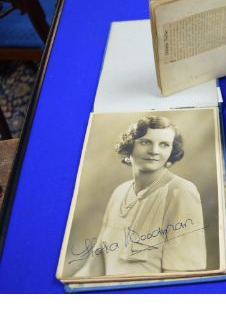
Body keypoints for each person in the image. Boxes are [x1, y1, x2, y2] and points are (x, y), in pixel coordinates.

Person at [73, 116, 207, 277]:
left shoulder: (180, 191)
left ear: (172, 151)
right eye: (145, 142)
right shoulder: (120, 192)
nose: (154, 151)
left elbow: (182, 273)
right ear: (130, 147)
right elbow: (95, 266)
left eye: (164, 145)